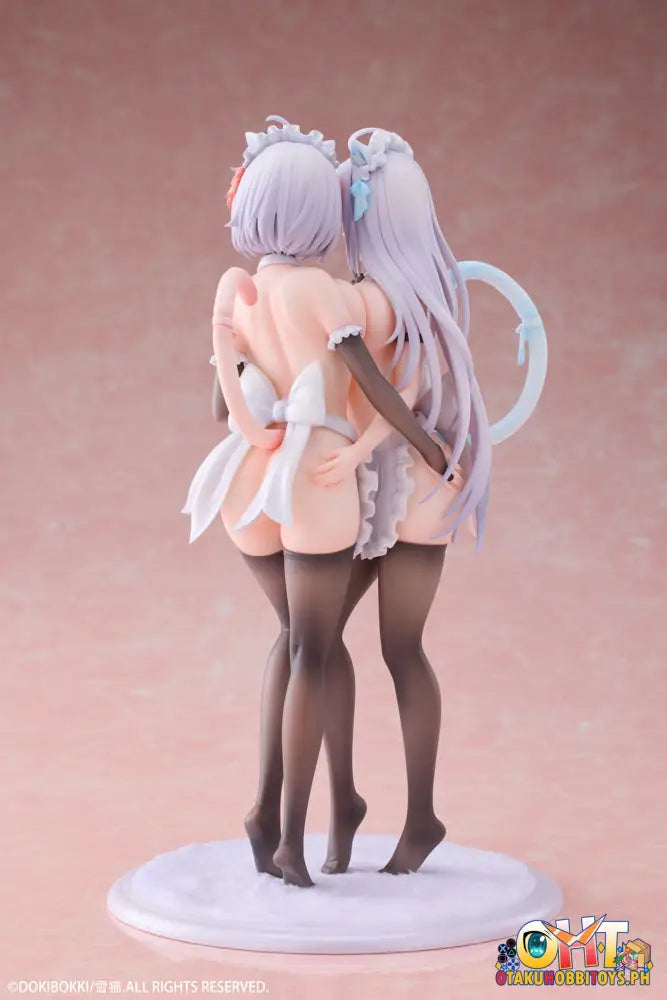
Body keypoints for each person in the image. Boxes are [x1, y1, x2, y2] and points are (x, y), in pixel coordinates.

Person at [183, 117, 447, 887]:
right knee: (313, 648)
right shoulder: (327, 293)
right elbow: (375, 384)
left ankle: (277, 811)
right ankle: (293, 839)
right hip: (314, 475)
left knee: (299, 640)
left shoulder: (243, 292)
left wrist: (232, 351)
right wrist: (422, 446)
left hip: (245, 474)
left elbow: (222, 403)